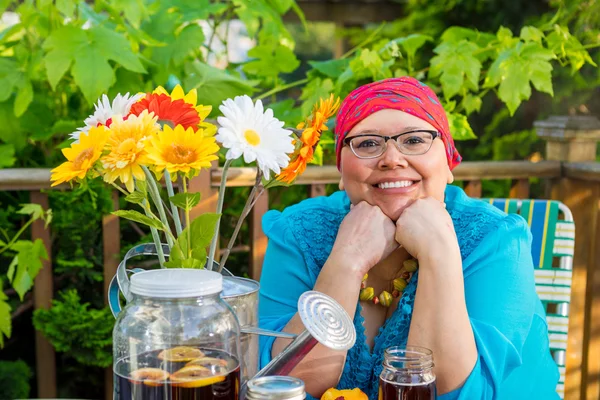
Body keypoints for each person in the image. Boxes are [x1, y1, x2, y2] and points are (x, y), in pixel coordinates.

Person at [258, 77, 560, 399]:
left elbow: (460, 394)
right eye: (368, 143)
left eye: (415, 140)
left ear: (448, 163)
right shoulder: (298, 232)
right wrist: (347, 261)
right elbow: (281, 383)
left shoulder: (497, 241)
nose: (391, 158)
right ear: (341, 172)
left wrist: (439, 252)